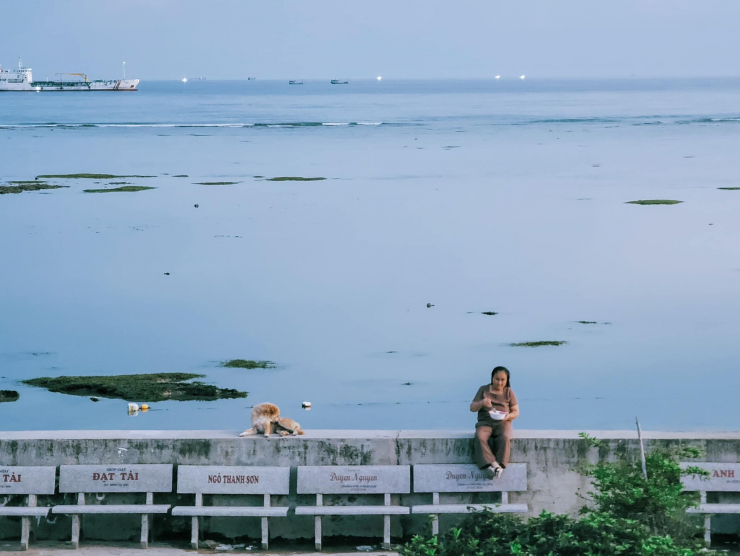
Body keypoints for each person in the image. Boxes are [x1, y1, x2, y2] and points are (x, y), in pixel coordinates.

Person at [469, 366, 519, 479]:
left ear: (507, 380)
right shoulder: (483, 389)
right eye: (497, 379)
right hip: (485, 422)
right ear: (492, 378)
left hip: (503, 422)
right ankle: (493, 464)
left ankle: (500, 466)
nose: (500, 383)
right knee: (480, 436)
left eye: (503, 380)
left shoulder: (509, 392)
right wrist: (481, 402)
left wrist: (507, 416)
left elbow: (516, 412)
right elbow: (472, 408)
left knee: (505, 437)